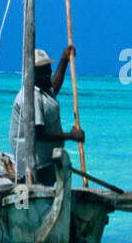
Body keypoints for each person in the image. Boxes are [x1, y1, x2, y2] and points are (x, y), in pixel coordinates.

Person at [10, 46, 84, 186]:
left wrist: (64, 60)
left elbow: (54, 86)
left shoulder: (42, 88)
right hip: (33, 169)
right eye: (45, 70)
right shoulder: (30, 96)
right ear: (33, 72)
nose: (49, 72)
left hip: (45, 165)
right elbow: (39, 133)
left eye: (49, 69)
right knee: (30, 203)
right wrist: (71, 136)